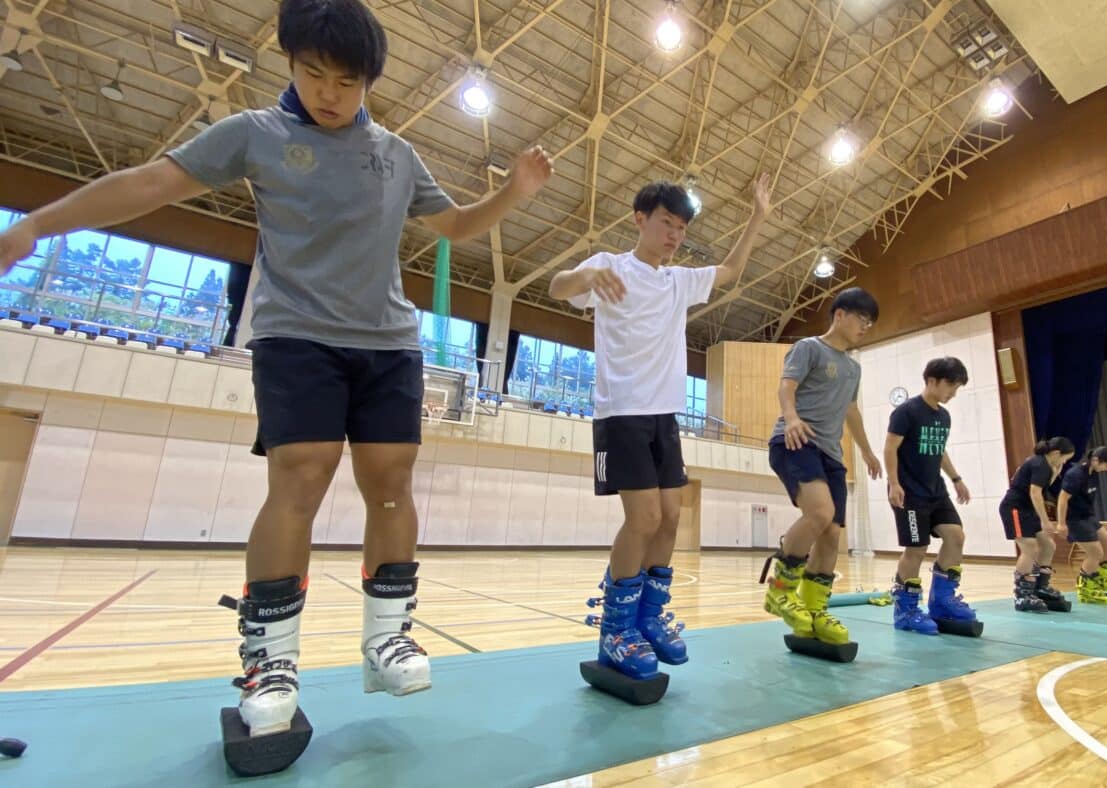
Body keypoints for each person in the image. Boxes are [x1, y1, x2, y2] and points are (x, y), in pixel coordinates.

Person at [0, 0, 554, 737]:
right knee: (301, 477)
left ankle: (386, 636)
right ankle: (270, 661)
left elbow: (453, 225)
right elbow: (146, 184)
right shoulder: (254, 135)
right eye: (312, 73)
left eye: (345, 81)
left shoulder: (397, 154)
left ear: (370, 82)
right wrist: (38, 222)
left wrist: (511, 195)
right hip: (297, 336)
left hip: (388, 343)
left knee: (390, 484)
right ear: (289, 63)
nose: (328, 92)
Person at [550, 175, 773, 681]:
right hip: (621, 411)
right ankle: (614, 629)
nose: (674, 236)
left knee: (671, 517)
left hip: (664, 415)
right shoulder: (609, 265)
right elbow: (556, 287)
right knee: (644, 518)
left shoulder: (679, 281)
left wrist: (758, 215)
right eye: (666, 224)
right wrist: (583, 280)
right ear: (640, 220)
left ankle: (647, 620)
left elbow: (732, 269)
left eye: (681, 228)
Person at [763, 288, 884, 645]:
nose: (866, 326)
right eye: (862, 318)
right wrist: (792, 418)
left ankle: (815, 610)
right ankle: (780, 590)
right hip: (795, 441)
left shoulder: (853, 368)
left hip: (831, 454)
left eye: (870, 322)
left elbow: (851, 411)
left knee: (832, 534)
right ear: (840, 315)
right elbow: (786, 387)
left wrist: (866, 451)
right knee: (819, 513)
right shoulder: (809, 348)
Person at [883, 357, 977, 634]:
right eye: (951, 386)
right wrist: (893, 483)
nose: (953, 393)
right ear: (932, 380)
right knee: (916, 548)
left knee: (956, 536)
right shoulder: (906, 412)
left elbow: (940, 450)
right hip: (909, 492)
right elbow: (889, 449)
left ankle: (941, 602)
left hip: (936, 490)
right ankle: (905, 611)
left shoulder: (943, 416)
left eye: (957, 388)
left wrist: (956, 478)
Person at [999, 437, 1075, 612]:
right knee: (1030, 547)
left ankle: (1040, 587)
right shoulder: (1039, 464)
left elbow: (1040, 488)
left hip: (1027, 509)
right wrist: (1045, 520)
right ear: (1056, 453)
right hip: (1015, 508)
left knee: (1048, 545)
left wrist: (1056, 472)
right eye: (1065, 458)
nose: (1065, 462)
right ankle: (1023, 594)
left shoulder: (1046, 465)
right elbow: (1035, 493)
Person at [1056, 446, 1107, 604]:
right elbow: (1062, 499)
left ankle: (1101, 578)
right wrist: (1061, 523)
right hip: (1074, 519)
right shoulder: (1075, 475)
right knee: (1095, 553)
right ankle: (1085, 589)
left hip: (1088, 516)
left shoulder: (1094, 474)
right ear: (1096, 460)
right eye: (1106, 465)